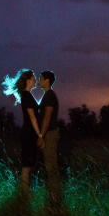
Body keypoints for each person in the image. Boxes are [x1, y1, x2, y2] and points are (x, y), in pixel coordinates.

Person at [2, 68, 42, 195]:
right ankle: (25, 193)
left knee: (28, 164)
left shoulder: (27, 95)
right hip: (29, 133)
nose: (35, 79)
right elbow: (32, 117)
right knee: (26, 165)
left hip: (29, 133)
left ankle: (25, 191)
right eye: (33, 77)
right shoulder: (26, 96)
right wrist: (39, 134)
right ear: (28, 80)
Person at [37, 70, 63, 204]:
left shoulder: (49, 96)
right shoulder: (47, 96)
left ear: (47, 80)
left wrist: (41, 135)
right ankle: (51, 196)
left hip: (50, 134)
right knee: (47, 166)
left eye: (41, 78)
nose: (38, 80)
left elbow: (47, 117)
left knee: (51, 166)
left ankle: (55, 199)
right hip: (48, 134)